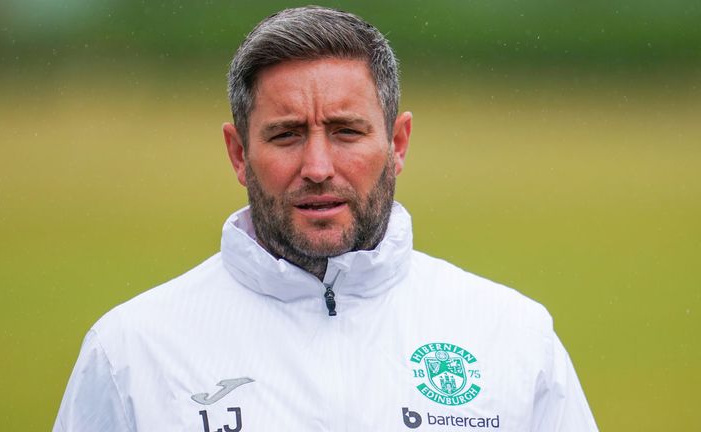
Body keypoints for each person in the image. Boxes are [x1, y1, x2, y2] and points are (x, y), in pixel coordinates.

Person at [54, 6, 598, 431]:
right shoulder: (133, 350)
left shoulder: (513, 339)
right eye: (286, 134)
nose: (317, 167)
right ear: (239, 152)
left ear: (398, 142)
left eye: (346, 132)